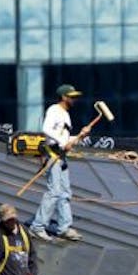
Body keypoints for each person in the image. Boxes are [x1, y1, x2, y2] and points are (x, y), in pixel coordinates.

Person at [29, 84, 89, 242]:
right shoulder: (54, 110)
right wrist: (63, 142)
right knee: (54, 191)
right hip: (53, 154)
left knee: (65, 192)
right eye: (72, 96)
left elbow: (64, 138)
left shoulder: (65, 115)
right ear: (64, 97)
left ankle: (64, 227)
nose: (75, 99)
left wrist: (80, 136)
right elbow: (46, 129)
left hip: (60, 156)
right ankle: (37, 227)